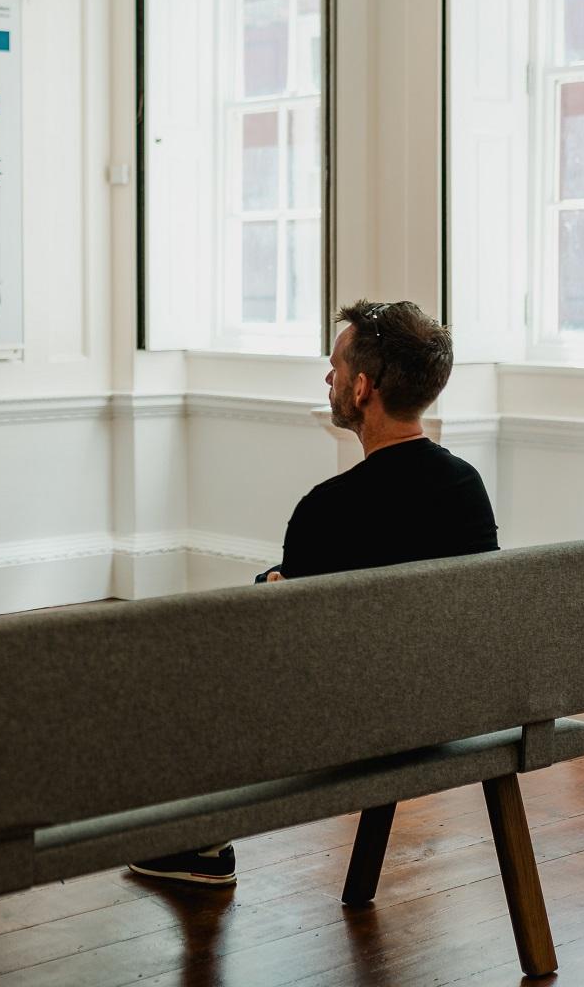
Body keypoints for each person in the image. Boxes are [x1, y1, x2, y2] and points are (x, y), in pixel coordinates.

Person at [129, 299, 498, 888]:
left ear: (361, 388)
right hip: (448, 710)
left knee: (202, 647)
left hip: (350, 725)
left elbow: (289, 646)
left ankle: (199, 843)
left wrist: (272, 585)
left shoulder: (327, 510)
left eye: (334, 368)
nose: (327, 379)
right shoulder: (466, 488)